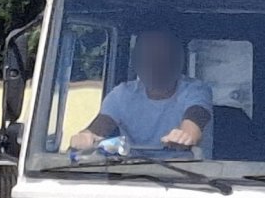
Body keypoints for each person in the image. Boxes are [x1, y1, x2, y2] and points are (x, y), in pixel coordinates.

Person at [70, 29, 213, 153]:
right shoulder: (122, 95)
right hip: (132, 177)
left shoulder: (196, 90)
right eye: (147, 57)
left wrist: (184, 136)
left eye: (162, 58)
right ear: (136, 62)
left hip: (192, 178)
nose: (154, 65)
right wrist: (85, 137)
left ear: (177, 61)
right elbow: (98, 129)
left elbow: (195, 120)